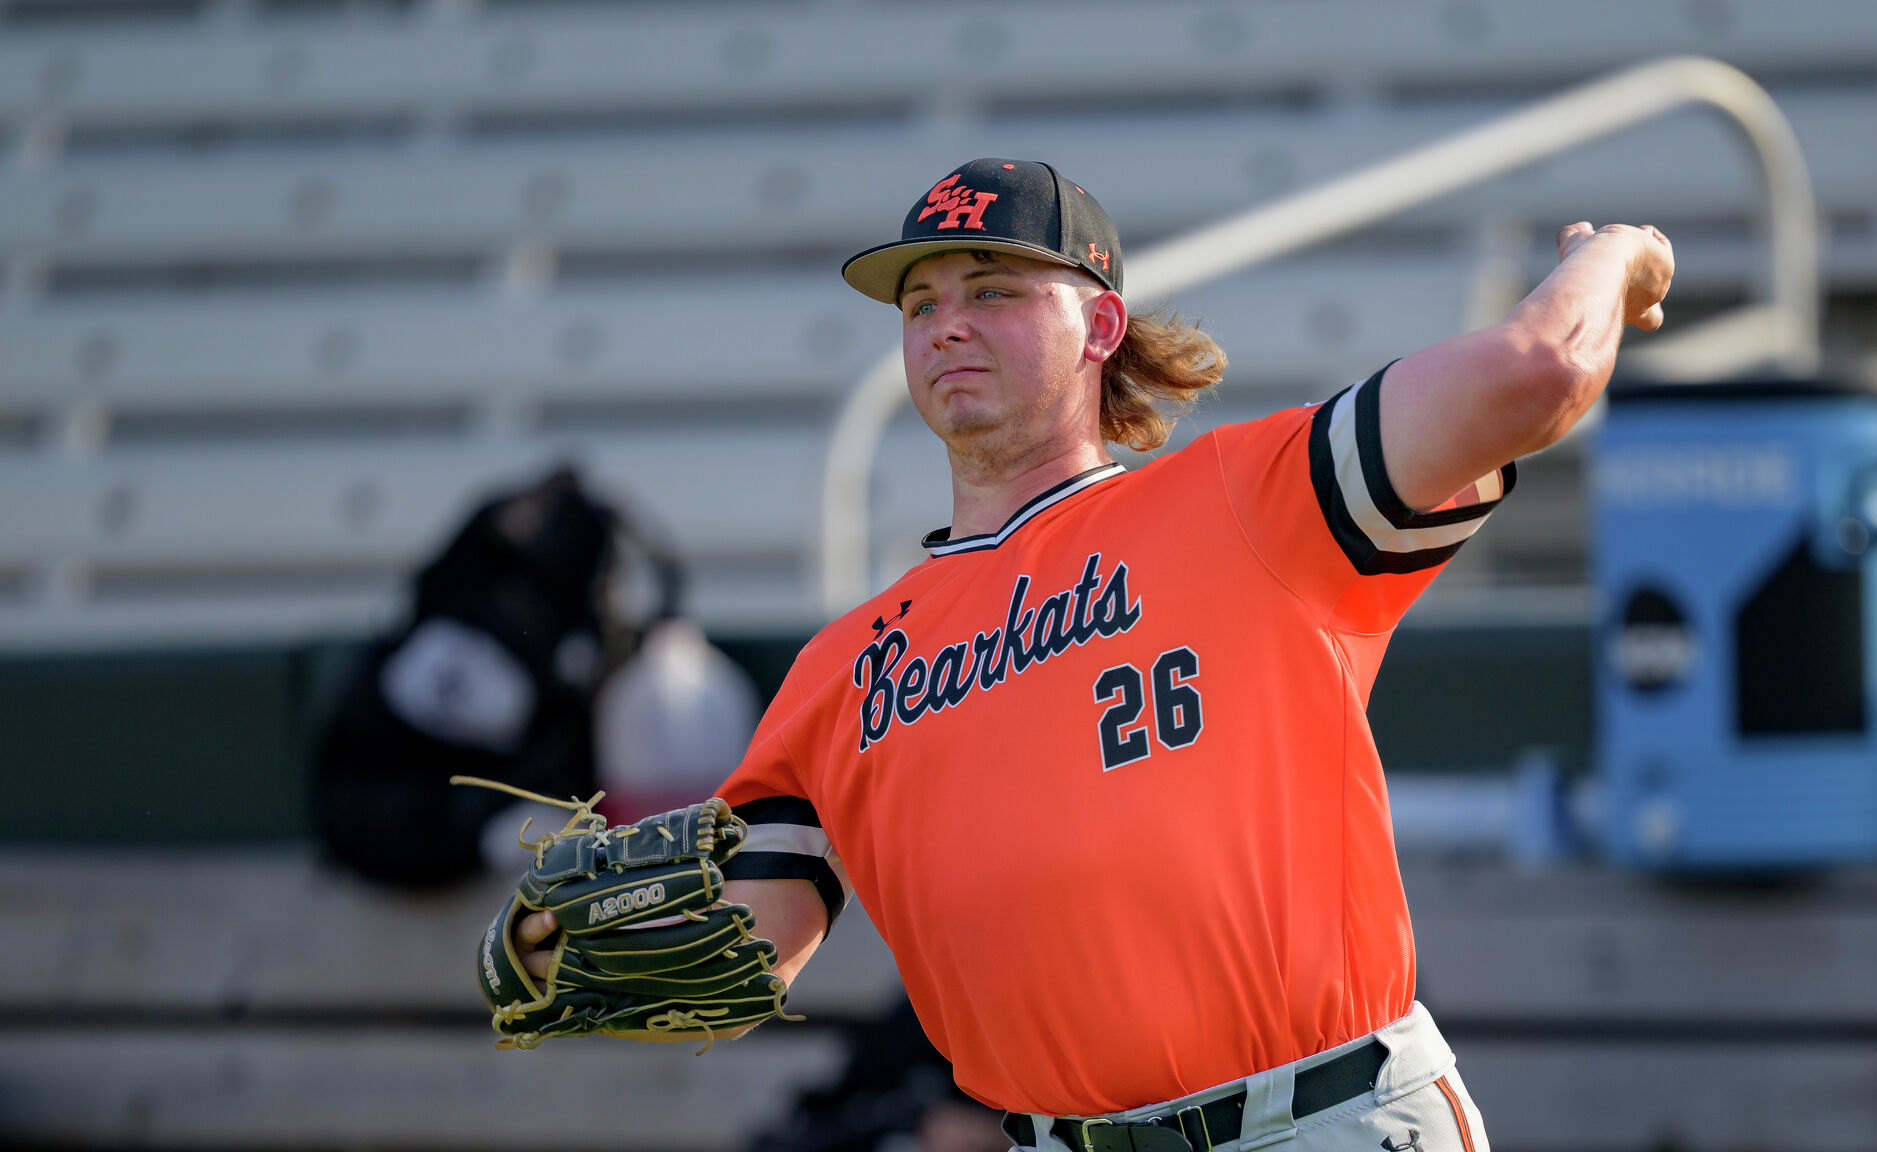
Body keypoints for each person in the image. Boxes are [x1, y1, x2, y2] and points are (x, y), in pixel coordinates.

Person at [511, 158, 1673, 1151]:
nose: (945, 323)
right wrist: (554, 963)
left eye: (994, 289)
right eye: (919, 304)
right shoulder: (843, 670)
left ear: (1100, 327)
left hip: (1321, 1122)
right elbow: (737, 963)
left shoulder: (1250, 503)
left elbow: (1539, 370)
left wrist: (1610, 256)